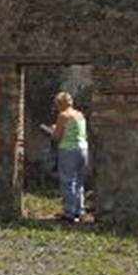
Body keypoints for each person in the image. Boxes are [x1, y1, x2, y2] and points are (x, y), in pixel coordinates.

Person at [41, 91, 88, 223]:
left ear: (60, 104)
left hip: (68, 150)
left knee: (67, 180)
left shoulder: (63, 116)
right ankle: (80, 210)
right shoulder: (80, 115)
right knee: (79, 181)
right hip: (83, 149)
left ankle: (69, 213)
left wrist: (52, 129)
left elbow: (57, 136)